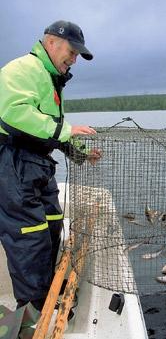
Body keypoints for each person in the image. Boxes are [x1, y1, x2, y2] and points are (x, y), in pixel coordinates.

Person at [0, 20, 101, 312]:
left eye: (77, 55)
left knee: (52, 227)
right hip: (13, 164)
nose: (74, 59)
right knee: (29, 238)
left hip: (38, 166)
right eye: (71, 51)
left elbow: (48, 129)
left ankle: (46, 294)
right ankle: (32, 310)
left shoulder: (50, 78)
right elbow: (13, 113)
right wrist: (66, 132)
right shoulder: (24, 69)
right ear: (51, 42)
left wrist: (80, 152)